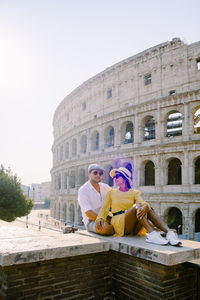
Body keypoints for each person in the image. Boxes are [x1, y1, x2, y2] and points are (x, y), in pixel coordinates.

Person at [96, 167, 181, 246]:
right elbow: (104, 209)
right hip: (119, 224)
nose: (114, 178)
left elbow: (142, 203)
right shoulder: (111, 193)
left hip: (134, 226)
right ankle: (152, 234)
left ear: (125, 178)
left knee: (146, 207)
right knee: (139, 206)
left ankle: (170, 233)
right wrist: (100, 218)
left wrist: (146, 207)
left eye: (117, 176)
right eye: (114, 177)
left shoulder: (134, 192)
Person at [78, 164, 114, 235]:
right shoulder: (83, 190)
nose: (98, 175)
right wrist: (103, 220)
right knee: (106, 228)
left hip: (107, 217)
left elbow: (117, 196)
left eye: (100, 173)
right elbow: (88, 212)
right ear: (89, 174)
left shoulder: (105, 187)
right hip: (91, 220)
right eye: (95, 173)